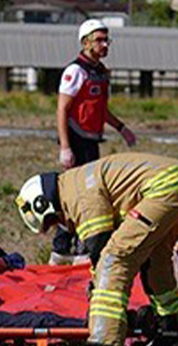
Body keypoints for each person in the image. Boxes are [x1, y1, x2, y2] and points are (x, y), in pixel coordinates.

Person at [15, 153, 178, 346]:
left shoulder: (77, 195)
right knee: (156, 263)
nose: (61, 224)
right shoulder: (75, 183)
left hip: (164, 188)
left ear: (44, 203)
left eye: (53, 220)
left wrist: (98, 291)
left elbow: (101, 248)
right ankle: (171, 338)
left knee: (114, 259)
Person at [51, 19, 138, 265]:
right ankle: (63, 248)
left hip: (92, 141)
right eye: (99, 40)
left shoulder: (100, 72)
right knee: (77, 196)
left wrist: (122, 128)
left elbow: (100, 110)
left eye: (106, 40)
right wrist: (65, 148)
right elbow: (62, 110)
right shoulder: (75, 72)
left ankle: (78, 247)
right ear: (86, 42)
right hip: (76, 140)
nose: (104, 45)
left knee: (91, 194)